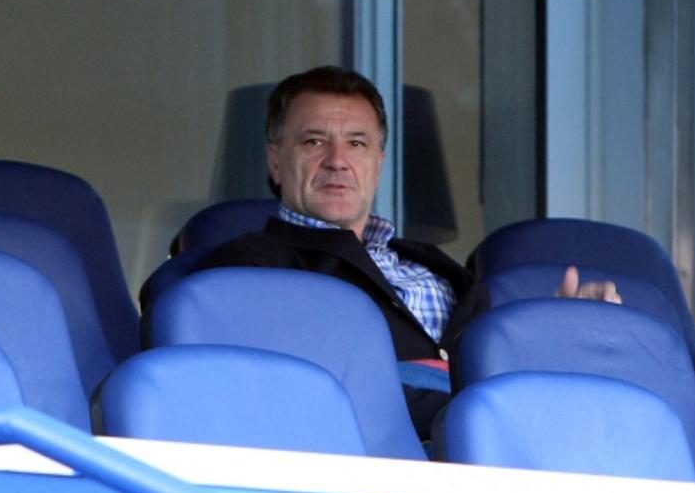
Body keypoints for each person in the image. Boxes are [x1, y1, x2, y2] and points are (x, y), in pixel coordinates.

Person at [189, 66, 618, 437]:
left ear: (378, 163)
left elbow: (497, 373)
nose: (337, 160)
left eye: (357, 143)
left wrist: (554, 332)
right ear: (276, 162)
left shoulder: (435, 266)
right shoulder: (247, 269)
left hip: (486, 456)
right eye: (314, 142)